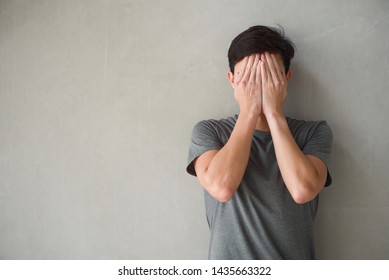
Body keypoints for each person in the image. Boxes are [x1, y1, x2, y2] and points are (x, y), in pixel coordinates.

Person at [186, 25, 333, 260]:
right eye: (248, 78)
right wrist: (249, 112)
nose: (257, 85)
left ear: (285, 79)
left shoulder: (313, 132)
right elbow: (222, 188)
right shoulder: (210, 131)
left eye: (266, 78)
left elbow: (302, 190)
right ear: (232, 80)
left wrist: (274, 113)